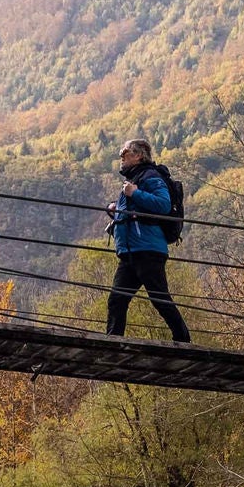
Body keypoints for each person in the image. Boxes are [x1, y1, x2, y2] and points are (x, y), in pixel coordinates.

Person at [104, 137, 192, 343]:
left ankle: (182, 338)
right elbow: (135, 209)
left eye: (125, 153)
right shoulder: (135, 179)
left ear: (139, 155)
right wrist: (116, 208)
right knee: (117, 299)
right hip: (130, 251)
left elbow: (163, 204)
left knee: (158, 297)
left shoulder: (151, 176)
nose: (121, 158)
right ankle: (112, 342)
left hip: (148, 250)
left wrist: (135, 193)